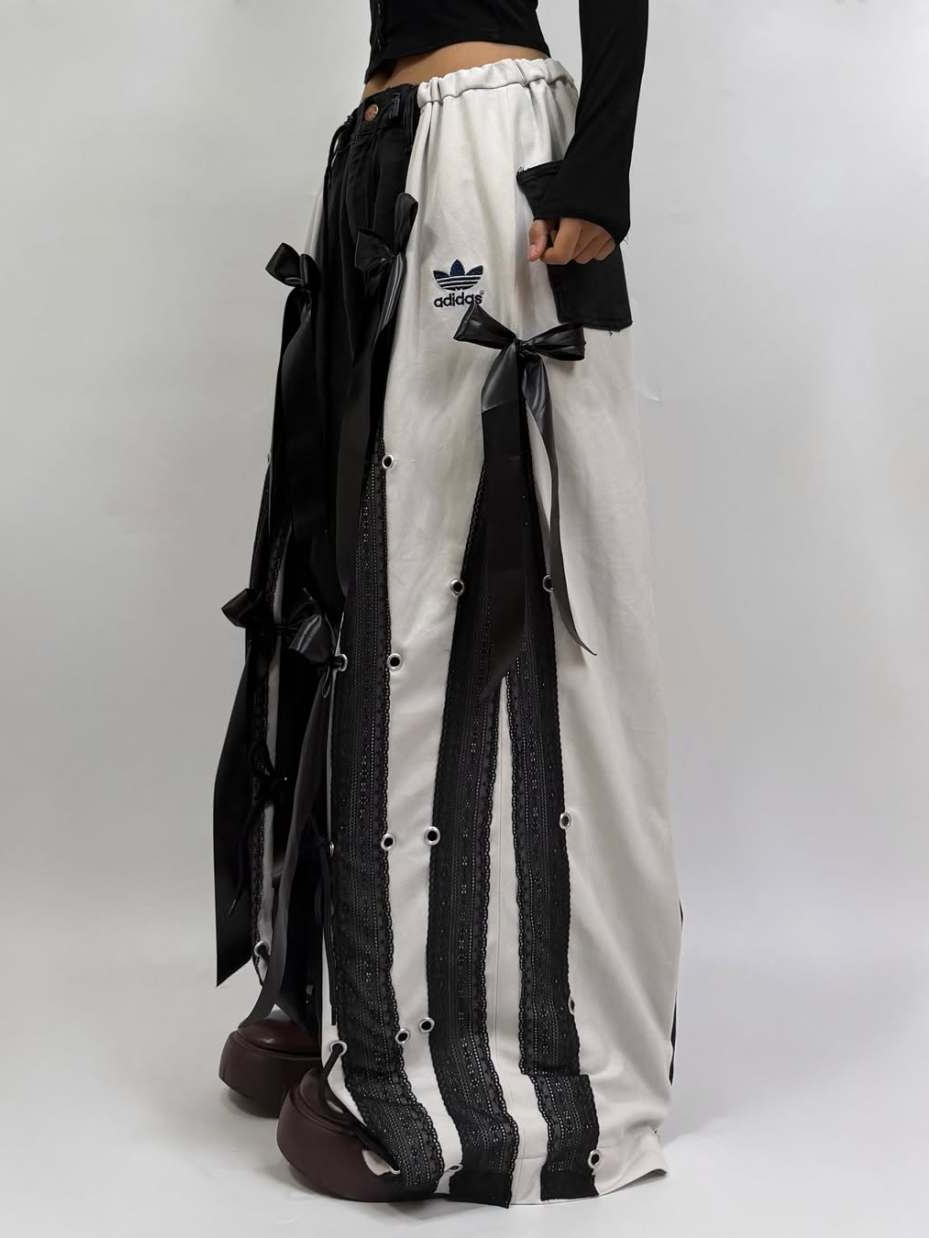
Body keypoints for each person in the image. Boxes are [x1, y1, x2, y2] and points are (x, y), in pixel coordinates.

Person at [212, 0, 682, 1208]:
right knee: (340, 557)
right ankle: (322, 977)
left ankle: (469, 1072)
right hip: (390, 148)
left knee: (460, 562)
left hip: (491, 152)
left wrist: (601, 163)